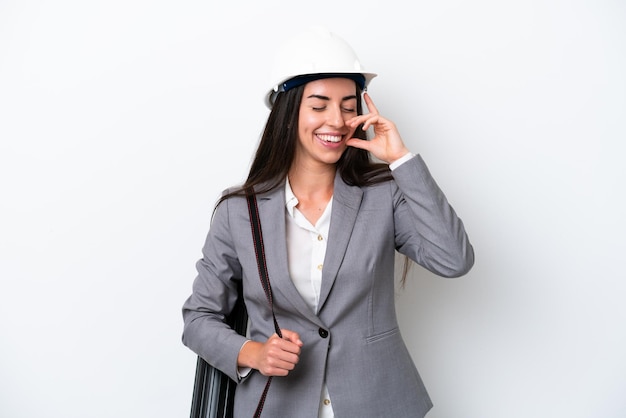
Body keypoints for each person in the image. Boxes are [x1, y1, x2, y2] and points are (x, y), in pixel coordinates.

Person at [182, 26, 474, 418]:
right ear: (288, 115)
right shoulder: (240, 211)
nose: (335, 120)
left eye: (349, 106)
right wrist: (252, 352)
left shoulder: (384, 194)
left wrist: (401, 159)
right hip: (277, 405)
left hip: (378, 403)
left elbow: (454, 259)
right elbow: (199, 318)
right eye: (319, 106)